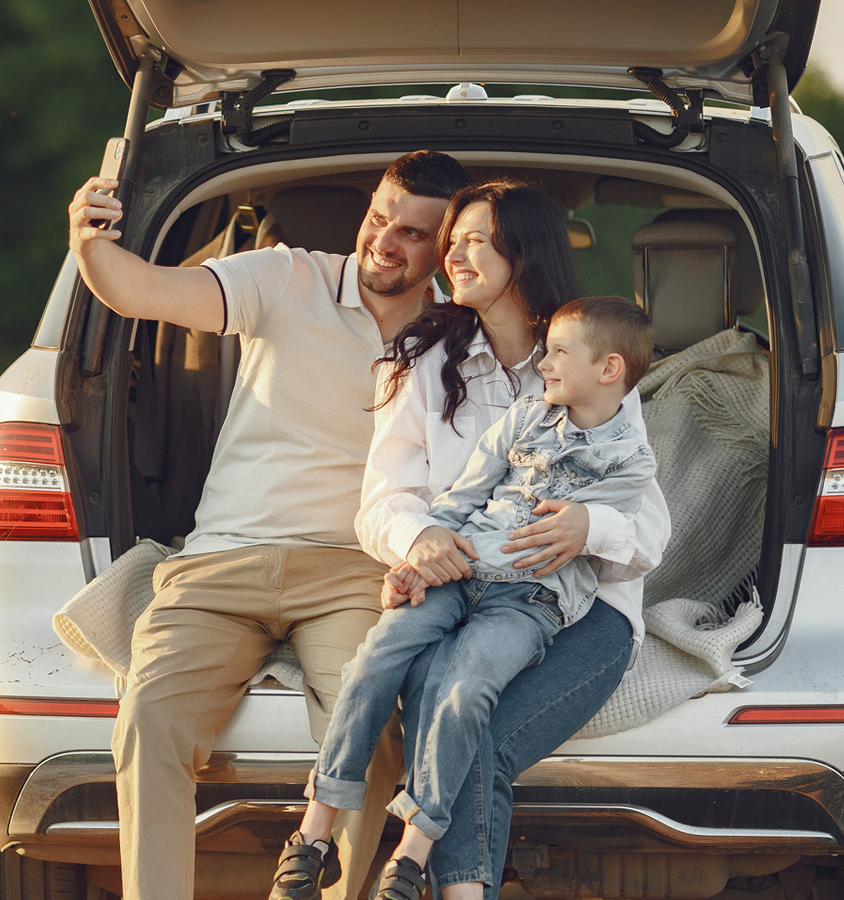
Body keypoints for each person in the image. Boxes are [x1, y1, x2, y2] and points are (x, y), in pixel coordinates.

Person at [68, 150, 471, 900]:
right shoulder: (285, 276)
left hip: (357, 570)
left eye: (414, 234)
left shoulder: (458, 338)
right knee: (149, 717)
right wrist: (90, 242)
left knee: (375, 723)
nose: (385, 242)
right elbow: (139, 289)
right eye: (380, 218)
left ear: (446, 248)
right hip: (222, 562)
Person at [273, 181, 670, 900]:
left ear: (524, 254)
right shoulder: (420, 362)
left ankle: (413, 867)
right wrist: (418, 542)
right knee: (442, 705)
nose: (453, 255)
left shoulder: (591, 362)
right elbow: (382, 504)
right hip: (458, 578)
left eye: (474, 240)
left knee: (467, 724)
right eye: (450, 241)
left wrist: (590, 527)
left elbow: (648, 535)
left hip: (582, 606)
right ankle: (365, 854)